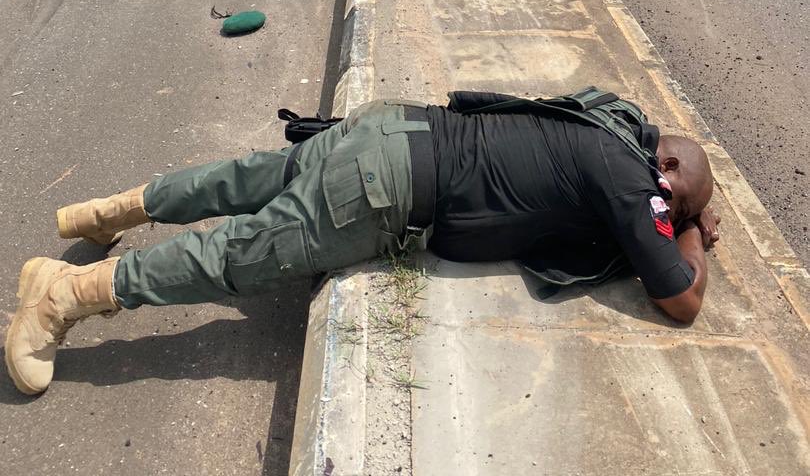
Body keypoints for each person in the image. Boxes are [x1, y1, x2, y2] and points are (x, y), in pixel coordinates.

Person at [5, 89, 718, 395]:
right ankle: (61, 297)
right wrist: (688, 232)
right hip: (387, 190)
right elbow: (680, 300)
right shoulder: (635, 180)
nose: (669, 211)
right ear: (669, 170)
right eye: (679, 197)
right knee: (238, 256)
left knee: (246, 179)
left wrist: (679, 216)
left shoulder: (603, 121)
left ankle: (102, 213)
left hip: (390, 129)